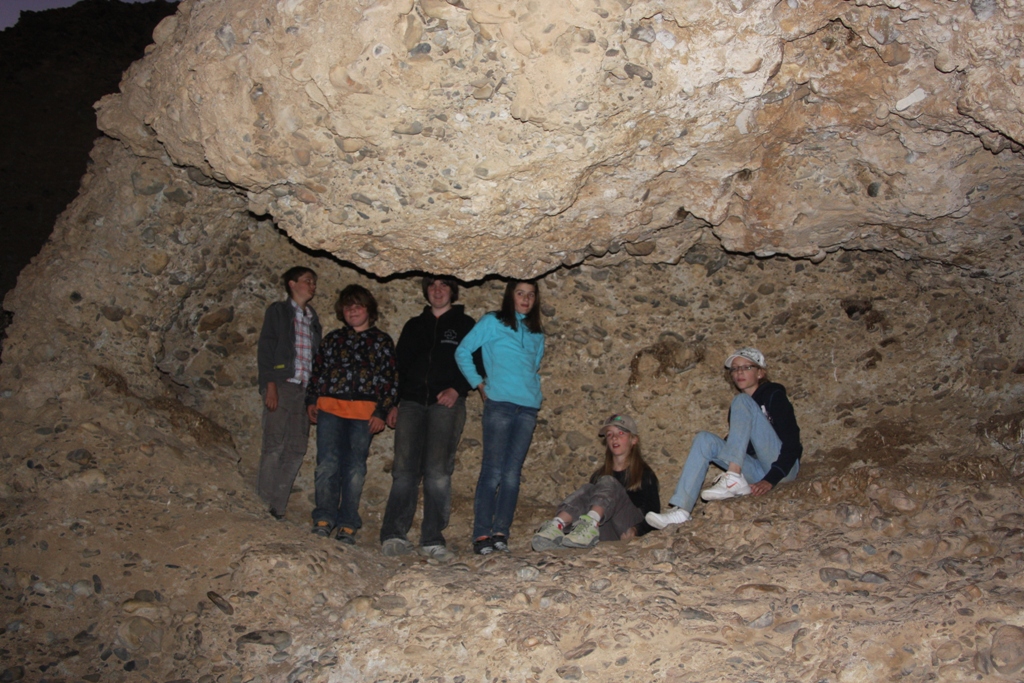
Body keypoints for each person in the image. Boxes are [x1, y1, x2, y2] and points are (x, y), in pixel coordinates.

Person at [646, 347, 802, 529]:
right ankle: (682, 510)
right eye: (735, 369)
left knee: (742, 401)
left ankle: (733, 477)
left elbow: (792, 443)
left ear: (760, 373)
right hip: (756, 471)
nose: (739, 373)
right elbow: (740, 445)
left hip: (783, 468)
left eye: (746, 367)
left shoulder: (774, 395)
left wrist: (772, 478)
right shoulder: (740, 408)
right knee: (704, 439)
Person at [379, 277, 478, 562]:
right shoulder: (414, 325)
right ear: (426, 292)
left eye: (443, 285)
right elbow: (398, 367)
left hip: (446, 403)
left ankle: (432, 539)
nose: (437, 290)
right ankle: (394, 534)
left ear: (452, 291)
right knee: (403, 471)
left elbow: (478, 360)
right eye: (432, 285)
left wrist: (457, 388)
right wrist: (393, 403)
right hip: (411, 403)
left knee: (437, 471)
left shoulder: (465, 324)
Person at [455, 280, 545, 555]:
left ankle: (500, 533)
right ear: (510, 295)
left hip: (527, 407)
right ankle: (482, 533)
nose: (525, 299)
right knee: (492, 470)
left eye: (531, 295)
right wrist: (478, 384)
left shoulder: (536, 332)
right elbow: (462, 351)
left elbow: (533, 366)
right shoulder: (492, 321)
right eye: (520, 293)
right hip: (500, 405)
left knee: (512, 474)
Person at [306, 285, 397, 544]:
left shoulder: (381, 341)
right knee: (327, 465)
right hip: (329, 409)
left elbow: (389, 379)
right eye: (348, 307)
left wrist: (381, 411)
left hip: (363, 413)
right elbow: (318, 370)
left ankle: (347, 523)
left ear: (369, 310)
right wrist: (311, 399)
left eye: (358, 306)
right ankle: (324, 518)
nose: (353, 311)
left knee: (355, 468)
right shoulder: (332, 339)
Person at [532, 414, 660, 551]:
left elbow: (653, 515)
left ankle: (590, 523)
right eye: (609, 434)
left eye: (621, 433)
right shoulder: (598, 475)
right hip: (605, 531)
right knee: (589, 488)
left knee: (608, 482)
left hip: (627, 528)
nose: (614, 438)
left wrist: (636, 530)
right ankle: (557, 526)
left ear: (633, 439)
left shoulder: (645, 474)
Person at [256, 266, 321, 520]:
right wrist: (270, 383)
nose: (312, 286)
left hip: (304, 391)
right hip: (282, 385)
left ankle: (277, 509)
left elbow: (315, 359)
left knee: (296, 449)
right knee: (274, 444)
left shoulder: (313, 320)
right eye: (307, 281)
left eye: (313, 282)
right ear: (292, 284)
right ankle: (262, 505)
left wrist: (314, 396)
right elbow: (266, 347)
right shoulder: (279, 311)